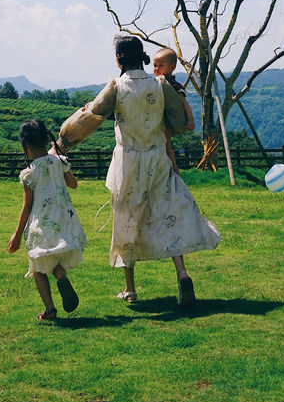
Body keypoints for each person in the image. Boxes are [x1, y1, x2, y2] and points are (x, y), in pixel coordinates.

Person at [55, 35, 220, 308]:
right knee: (169, 213)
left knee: (126, 220)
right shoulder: (160, 83)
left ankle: (130, 289)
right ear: (142, 56)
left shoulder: (116, 87)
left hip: (128, 161)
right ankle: (182, 273)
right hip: (157, 158)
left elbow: (91, 117)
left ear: (119, 58)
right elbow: (180, 123)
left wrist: (62, 142)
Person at [8, 119, 86, 321]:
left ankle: (50, 309)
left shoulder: (29, 173)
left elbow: (27, 206)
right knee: (55, 260)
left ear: (25, 146)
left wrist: (17, 234)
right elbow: (74, 184)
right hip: (63, 219)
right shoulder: (59, 162)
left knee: (38, 265)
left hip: (41, 223)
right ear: (45, 140)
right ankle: (61, 275)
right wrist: (60, 160)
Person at [153, 47, 195, 175]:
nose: (156, 68)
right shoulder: (155, 83)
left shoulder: (174, 85)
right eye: (155, 65)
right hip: (158, 119)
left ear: (172, 67)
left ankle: (174, 168)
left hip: (167, 120)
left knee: (166, 145)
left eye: (160, 65)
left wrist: (190, 119)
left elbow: (184, 103)